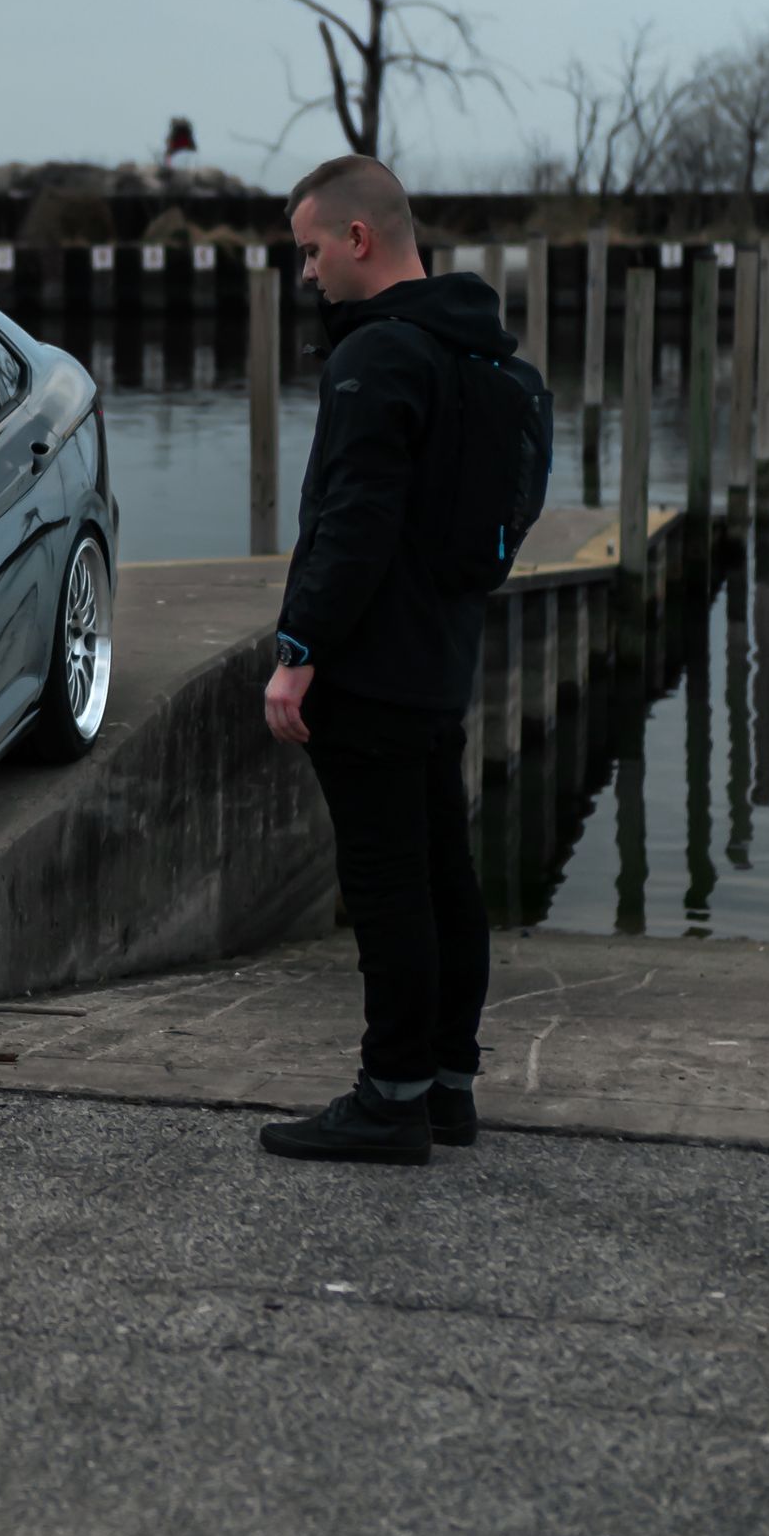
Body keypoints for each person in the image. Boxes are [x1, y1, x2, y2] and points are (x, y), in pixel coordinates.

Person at [256, 153, 522, 1165]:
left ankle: (390, 1100)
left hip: (368, 666)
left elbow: (354, 518)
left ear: (357, 238)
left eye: (311, 250)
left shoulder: (376, 356)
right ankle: (447, 1087)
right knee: (445, 874)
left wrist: (299, 649)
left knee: (387, 886)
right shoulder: (477, 350)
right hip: (440, 655)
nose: (308, 273)